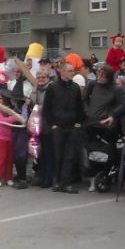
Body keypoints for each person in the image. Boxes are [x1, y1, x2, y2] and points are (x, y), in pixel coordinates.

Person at [42, 59, 87, 194]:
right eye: (70, 71)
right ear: (62, 72)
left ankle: (66, 183)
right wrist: (52, 124)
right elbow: (47, 109)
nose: (73, 73)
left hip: (72, 126)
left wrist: (79, 122)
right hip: (58, 127)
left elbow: (79, 107)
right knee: (58, 155)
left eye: (73, 70)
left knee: (70, 156)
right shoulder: (52, 87)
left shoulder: (75, 88)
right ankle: (57, 181)